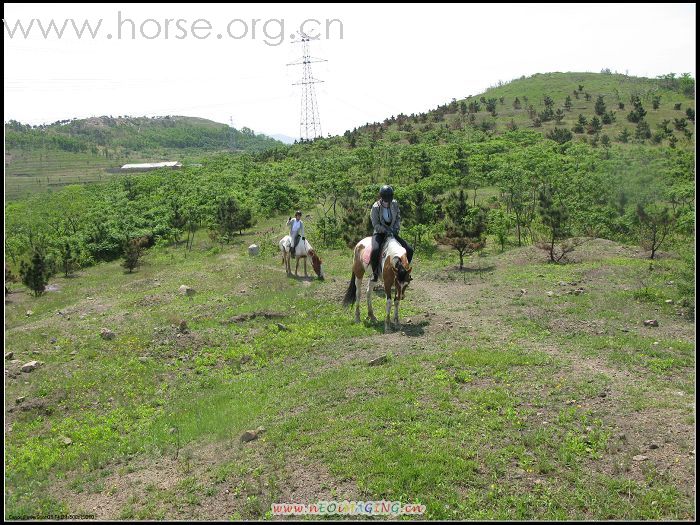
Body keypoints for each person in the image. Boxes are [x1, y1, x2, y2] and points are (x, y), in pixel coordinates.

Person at [369, 185, 414, 281]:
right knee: (375, 250)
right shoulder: (375, 207)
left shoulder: (394, 203)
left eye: (390, 197)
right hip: (380, 233)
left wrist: (396, 228)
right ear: (382, 197)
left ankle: (405, 271)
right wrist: (385, 230)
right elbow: (375, 224)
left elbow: (397, 217)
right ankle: (375, 273)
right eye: (386, 197)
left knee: (409, 249)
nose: (388, 200)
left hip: (392, 232)